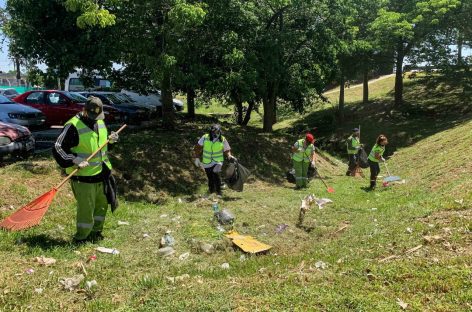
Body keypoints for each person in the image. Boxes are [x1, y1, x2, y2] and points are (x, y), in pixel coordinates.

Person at [53, 96, 119, 243]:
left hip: (101, 174)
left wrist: (111, 140)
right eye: (92, 114)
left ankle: (96, 232)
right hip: (83, 177)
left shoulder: (100, 122)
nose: (95, 118)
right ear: (84, 110)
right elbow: (58, 148)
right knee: (86, 210)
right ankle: (82, 237)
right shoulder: (73, 126)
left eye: (98, 115)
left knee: (102, 205)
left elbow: (102, 146)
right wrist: (73, 159)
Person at [194, 124, 235, 197]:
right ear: (211, 132)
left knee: (215, 174)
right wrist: (197, 158)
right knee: (210, 177)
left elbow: (227, 149)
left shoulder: (222, 139)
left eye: (217, 132)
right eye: (213, 133)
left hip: (218, 161)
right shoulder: (205, 137)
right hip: (207, 161)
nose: (215, 134)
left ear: (220, 132)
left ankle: (219, 192)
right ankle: (212, 192)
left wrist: (229, 155)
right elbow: (197, 147)